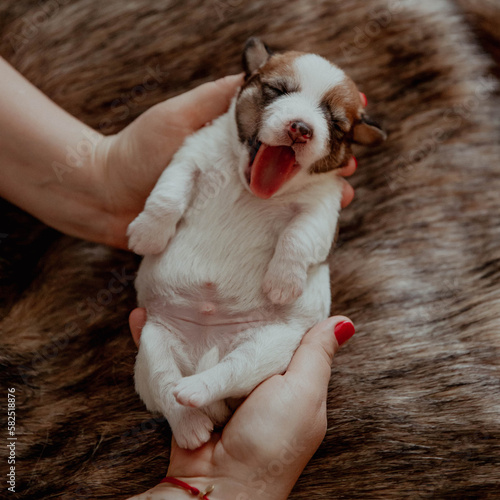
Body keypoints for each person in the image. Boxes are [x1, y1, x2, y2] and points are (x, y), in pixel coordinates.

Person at [0, 57, 358, 499]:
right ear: (245, 84)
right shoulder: (212, 141)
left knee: (278, 340)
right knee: (154, 341)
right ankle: (177, 407)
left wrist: (292, 257)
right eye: (278, 92)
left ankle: (220, 380)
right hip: (173, 314)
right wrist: (156, 211)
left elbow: (316, 233)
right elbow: (184, 168)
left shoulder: (320, 189)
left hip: (258, 323)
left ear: (343, 147)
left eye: (332, 122)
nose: (303, 124)